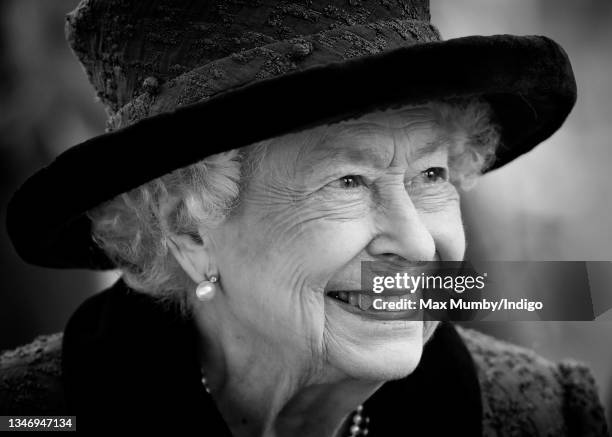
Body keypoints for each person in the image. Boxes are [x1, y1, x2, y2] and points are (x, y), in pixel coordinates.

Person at [5, 0, 608, 435]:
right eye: (348, 182)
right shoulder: (31, 413)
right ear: (189, 229)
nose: (418, 241)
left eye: (431, 176)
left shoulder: (545, 415)